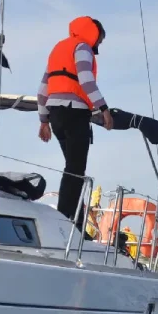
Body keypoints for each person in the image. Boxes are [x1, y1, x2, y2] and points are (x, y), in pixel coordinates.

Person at [37, 16, 113, 233]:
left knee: (73, 168)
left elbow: (42, 91)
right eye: (100, 41)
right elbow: (86, 80)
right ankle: (63, 222)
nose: (98, 46)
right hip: (74, 112)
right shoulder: (82, 48)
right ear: (94, 35)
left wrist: (44, 121)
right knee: (75, 169)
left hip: (56, 116)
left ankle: (77, 224)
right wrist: (104, 109)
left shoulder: (58, 50)